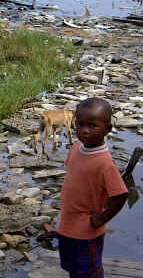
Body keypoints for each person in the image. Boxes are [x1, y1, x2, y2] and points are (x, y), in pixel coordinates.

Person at [55, 97, 128, 277]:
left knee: (89, 271)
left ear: (107, 129)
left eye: (92, 126)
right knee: (71, 266)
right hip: (67, 225)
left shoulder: (104, 163)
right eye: (80, 124)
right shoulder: (76, 148)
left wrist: (102, 218)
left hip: (87, 232)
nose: (84, 131)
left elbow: (120, 195)